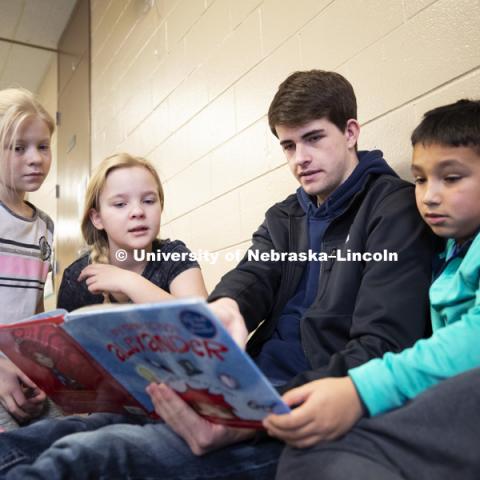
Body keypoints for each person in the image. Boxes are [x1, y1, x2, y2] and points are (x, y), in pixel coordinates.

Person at [0, 70, 435, 479]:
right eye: (287, 146)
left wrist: (261, 414)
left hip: (299, 407)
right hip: (244, 391)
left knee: (90, 456)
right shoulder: (286, 215)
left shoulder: (394, 209)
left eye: (314, 139)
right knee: (40, 438)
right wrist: (226, 306)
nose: (300, 159)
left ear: (351, 132)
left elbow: (382, 345)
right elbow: (251, 277)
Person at [271, 99, 480, 480]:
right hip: (437, 390)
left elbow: (472, 338)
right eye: (420, 179)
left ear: (351, 133)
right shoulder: (447, 248)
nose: (429, 196)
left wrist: (359, 390)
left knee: (322, 455)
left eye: (451, 178)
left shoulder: (389, 208)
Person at [56, 152, 207, 310]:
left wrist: (128, 282)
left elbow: (205, 323)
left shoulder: (174, 256)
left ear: (160, 206)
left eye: (148, 201)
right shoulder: (77, 278)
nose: (138, 211)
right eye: (120, 204)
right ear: (97, 218)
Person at [0, 88, 58, 430]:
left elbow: (33, 311)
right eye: (18, 148)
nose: (35, 158)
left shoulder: (45, 226)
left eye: (43, 146)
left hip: (22, 369)